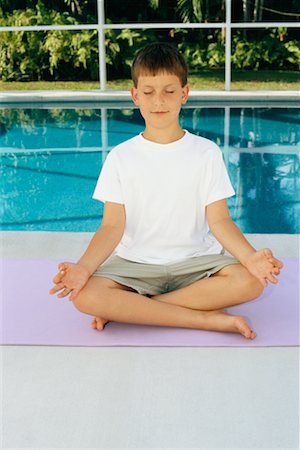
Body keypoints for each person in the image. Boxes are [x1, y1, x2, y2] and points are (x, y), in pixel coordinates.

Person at [49, 42, 283, 339]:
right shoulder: (120, 157)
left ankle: (134, 310)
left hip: (197, 263)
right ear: (135, 96)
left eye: (169, 91)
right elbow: (111, 226)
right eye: (148, 92)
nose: (159, 101)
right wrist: (83, 268)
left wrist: (250, 259)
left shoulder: (205, 152)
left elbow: (220, 221)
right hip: (136, 265)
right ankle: (208, 320)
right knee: (84, 295)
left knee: (251, 281)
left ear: (184, 94)